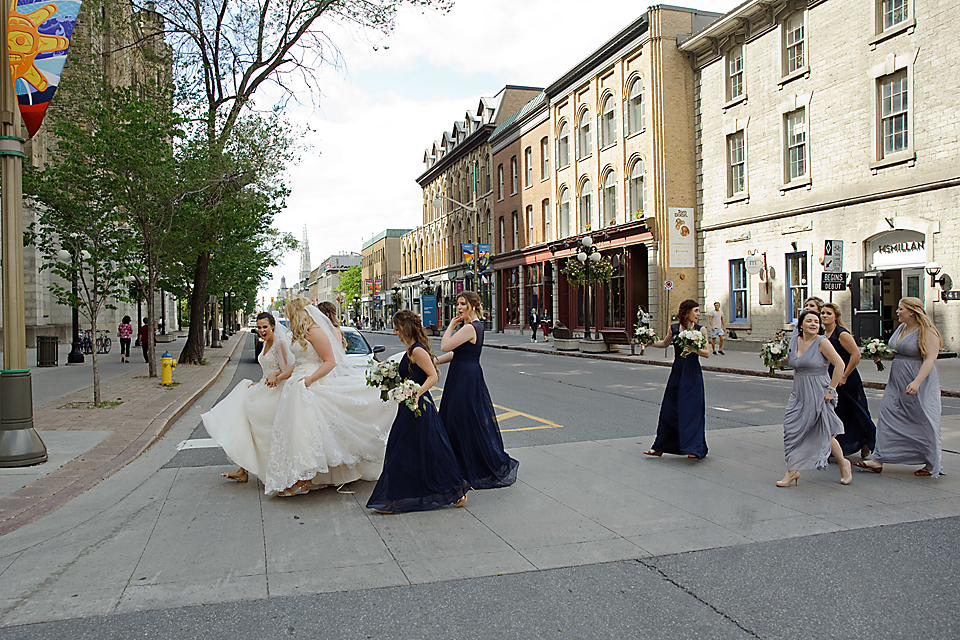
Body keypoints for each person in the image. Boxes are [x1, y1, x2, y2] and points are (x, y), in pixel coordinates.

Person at [265, 298, 396, 496]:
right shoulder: (299, 333)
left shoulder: (316, 331)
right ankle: (304, 477)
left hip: (312, 384)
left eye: (290, 313)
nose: (288, 318)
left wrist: (310, 380)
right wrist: (285, 377)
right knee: (300, 431)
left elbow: (329, 361)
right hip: (296, 385)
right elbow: (298, 362)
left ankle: (303, 480)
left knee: (308, 431)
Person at [366, 310, 469, 514]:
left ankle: (454, 490)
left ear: (405, 327)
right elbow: (414, 375)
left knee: (411, 450)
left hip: (419, 407)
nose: (394, 331)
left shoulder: (417, 351)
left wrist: (416, 393)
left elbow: (432, 376)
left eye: (396, 327)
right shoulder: (410, 349)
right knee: (408, 449)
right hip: (410, 406)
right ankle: (396, 496)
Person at [435, 290, 519, 489]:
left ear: (472, 305)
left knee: (460, 420)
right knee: (461, 420)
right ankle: (459, 465)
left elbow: (445, 345)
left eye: (463, 304)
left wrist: (450, 326)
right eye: (458, 304)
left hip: (465, 377)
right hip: (465, 373)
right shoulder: (473, 327)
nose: (459, 308)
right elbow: (457, 354)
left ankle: (469, 467)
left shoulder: (470, 328)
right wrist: (434, 362)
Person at [855, 297, 943, 477]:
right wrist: (881, 355)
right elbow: (899, 352)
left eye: (900, 308)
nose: (897, 311)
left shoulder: (927, 332)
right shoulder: (902, 328)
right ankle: (878, 459)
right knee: (888, 414)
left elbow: (930, 359)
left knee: (922, 418)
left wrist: (917, 381)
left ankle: (931, 462)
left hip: (918, 378)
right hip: (897, 380)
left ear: (911, 311)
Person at [202, 312, 294, 483]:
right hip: (264, 387)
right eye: (259, 327)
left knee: (254, 425)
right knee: (243, 409)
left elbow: (290, 370)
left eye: (265, 327)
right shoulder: (266, 343)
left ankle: (267, 469)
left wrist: (276, 375)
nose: (262, 330)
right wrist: (260, 382)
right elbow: (267, 369)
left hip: (276, 391)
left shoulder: (279, 343)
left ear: (273, 326)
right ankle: (243, 469)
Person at [778, 309, 853, 487]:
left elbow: (840, 365)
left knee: (824, 431)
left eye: (816, 322)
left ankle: (844, 464)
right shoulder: (794, 340)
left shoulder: (822, 342)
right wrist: (777, 360)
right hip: (799, 392)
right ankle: (794, 470)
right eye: (809, 321)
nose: (814, 324)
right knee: (791, 430)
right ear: (801, 325)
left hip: (819, 391)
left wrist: (831, 390)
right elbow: (791, 361)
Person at [644, 299, 709, 459]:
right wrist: (649, 343)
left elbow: (706, 352)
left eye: (698, 311)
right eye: (695, 311)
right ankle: (660, 446)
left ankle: (695, 448)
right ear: (686, 313)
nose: (698, 314)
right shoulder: (673, 328)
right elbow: (665, 343)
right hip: (677, 373)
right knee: (669, 409)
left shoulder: (701, 330)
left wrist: (694, 349)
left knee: (692, 410)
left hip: (692, 374)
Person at [821, 303, 876, 459]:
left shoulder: (841, 334)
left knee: (855, 410)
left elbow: (855, 355)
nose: (824, 316)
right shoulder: (823, 334)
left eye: (828, 313)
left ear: (835, 316)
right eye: (823, 313)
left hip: (847, 377)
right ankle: (838, 446)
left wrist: (844, 375)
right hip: (831, 376)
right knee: (837, 412)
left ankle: (866, 441)